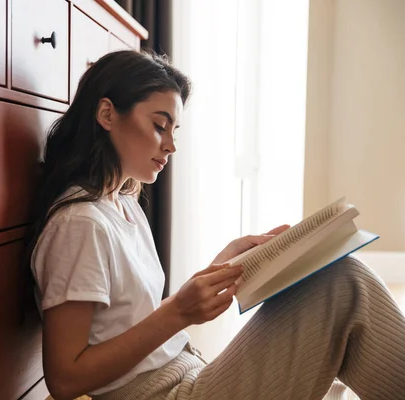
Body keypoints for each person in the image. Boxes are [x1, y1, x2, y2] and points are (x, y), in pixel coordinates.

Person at [25, 50, 405, 400]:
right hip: (171, 394)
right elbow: (65, 379)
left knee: (340, 318)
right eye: (160, 125)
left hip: (190, 374)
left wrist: (218, 270)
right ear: (107, 114)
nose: (171, 145)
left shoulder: (122, 205)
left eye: (175, 131)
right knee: (343, 284)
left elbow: (129, 320)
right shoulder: (80, 223)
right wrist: (178, 313)